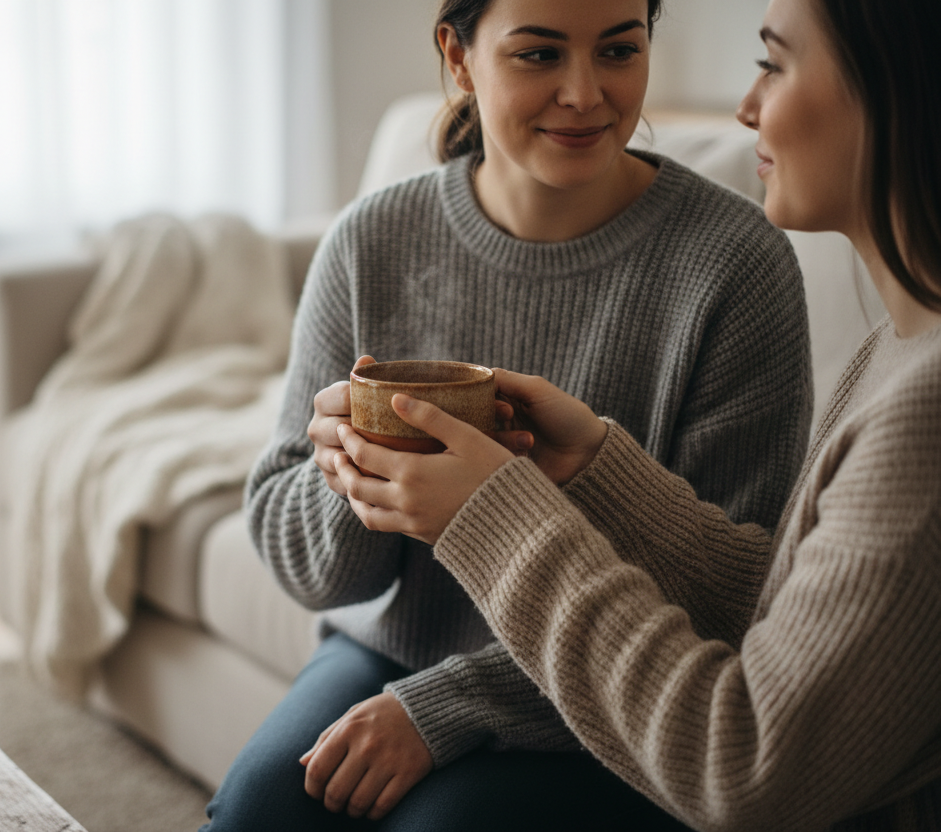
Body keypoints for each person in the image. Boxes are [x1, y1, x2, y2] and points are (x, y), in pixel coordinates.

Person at [327, 0, 941, 828]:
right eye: (539, 55)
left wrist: (495, 515)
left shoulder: (919, 413)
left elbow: (748, 771)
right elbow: (785, 615)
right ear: (459, 57)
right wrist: (594, 469)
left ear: (897, 89)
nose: (745, 107)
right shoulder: (896, 354)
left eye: (773, 63)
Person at [203, 0, 815, 828]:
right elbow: (313, 570)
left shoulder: (737, 266)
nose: (585, 94)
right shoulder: (370, 242)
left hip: (610, 692)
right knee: (254, 815)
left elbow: (738, 606)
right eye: (538, 55)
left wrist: (452, 707)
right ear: (459, 57)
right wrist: (356, 476)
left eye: (618, 50)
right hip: (391, 649)